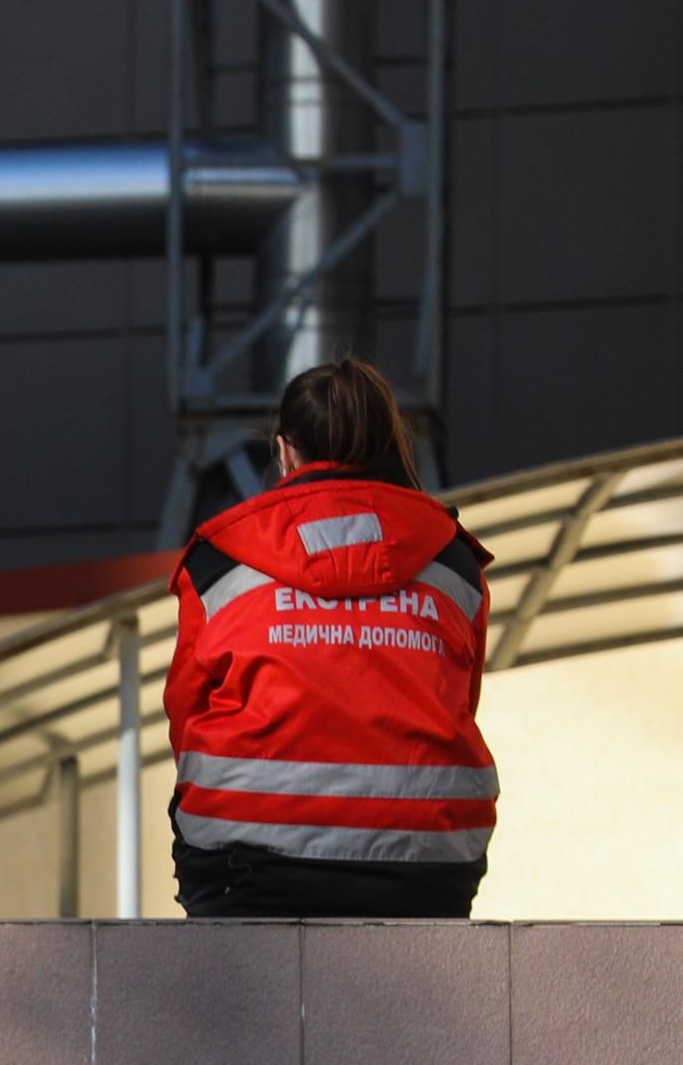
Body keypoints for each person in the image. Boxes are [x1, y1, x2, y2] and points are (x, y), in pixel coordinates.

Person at [167, 356, 497, 918]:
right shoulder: (454, 564)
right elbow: (459, 701)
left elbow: (187, 720)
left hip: (249, 868)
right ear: (389, 444)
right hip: (427, 864)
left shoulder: (219, 564)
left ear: (284, 450)